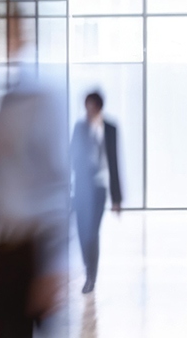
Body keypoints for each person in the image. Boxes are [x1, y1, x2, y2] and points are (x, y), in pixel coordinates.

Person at [0, 8, 71, 338]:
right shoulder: (8, 102)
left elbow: (57, 184)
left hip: (33, 250)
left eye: (10, 31)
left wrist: (54, 267)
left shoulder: (46, 96)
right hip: (4, 244)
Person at [71, 91, 122, 294]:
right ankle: (88, 269)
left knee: (92, 232)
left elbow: (114, 162)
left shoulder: (110, 128)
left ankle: (91, 277)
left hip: (100, 187)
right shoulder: (79, 127)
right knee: (83, 234)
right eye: (86, 106)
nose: (88, 111)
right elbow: (71, 156)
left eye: (92, 107)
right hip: (82, 188)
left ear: (99, 107)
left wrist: (117, 198)